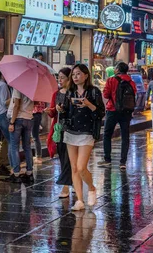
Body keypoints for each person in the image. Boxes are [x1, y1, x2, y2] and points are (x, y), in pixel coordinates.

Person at [64, 64, 104, 211]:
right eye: (73, 74)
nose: (75, 77)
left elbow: (100, 113)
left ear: (86, 75)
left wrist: (88, 104)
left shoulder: (93, 92)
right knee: (74, 168)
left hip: (87, 132)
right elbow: (66, 112)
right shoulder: (70, 92)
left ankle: (92, 188)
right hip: (71, 131)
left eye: (78, 74)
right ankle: (80, 200)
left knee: (81, 167)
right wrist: (59, 109)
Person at [98, 61, 136, 170]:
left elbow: (105, 94)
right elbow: (134, 93)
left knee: (107, 134)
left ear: (118, 69)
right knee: (125, 136)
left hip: (112, 110)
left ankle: (107, 159)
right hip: (126, 112)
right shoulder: (131, 81)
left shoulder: (111, 80)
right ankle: (123, 162)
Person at [46, 67, 73, 198]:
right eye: (59, 77)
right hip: (60, 130)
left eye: (62, 77)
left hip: (73, 130)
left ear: (69, 79)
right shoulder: (56, 94)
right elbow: (53, 114)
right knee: (63, 157)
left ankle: (66, 186)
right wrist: (50, 111)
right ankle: (68, 183)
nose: (60, 80)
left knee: (71, 158)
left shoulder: (74, 93)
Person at [8, 87, 35, 184]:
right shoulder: (32, 88)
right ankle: (29, 173)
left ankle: (16, 174)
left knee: (14, 146)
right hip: (29, 118)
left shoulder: (18, 87)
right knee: (27, 147)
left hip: (18, 119)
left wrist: (12, 122)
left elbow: (16, 105)